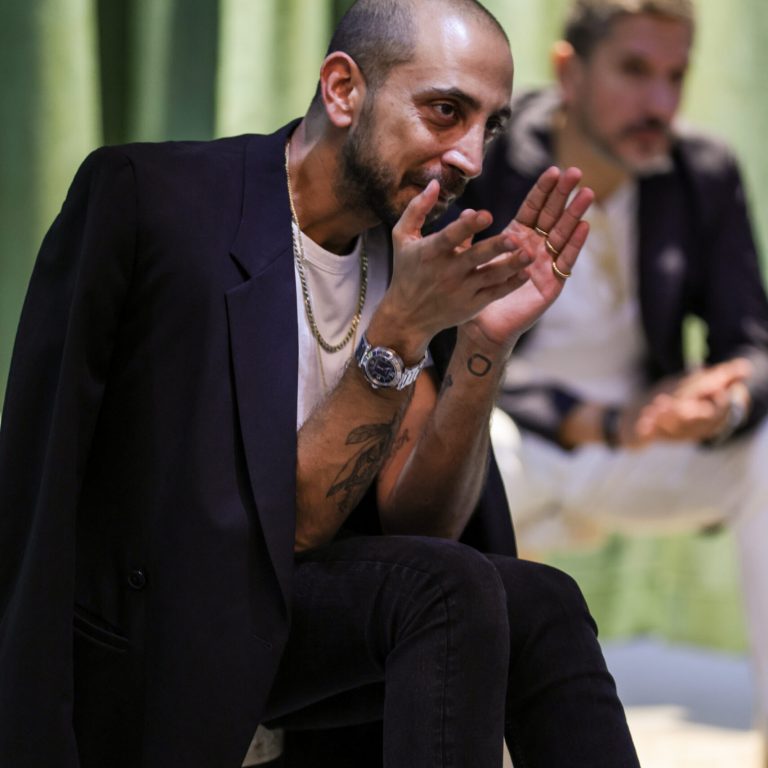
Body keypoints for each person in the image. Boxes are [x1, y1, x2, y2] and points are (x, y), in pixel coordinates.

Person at [0, 1, 642, 766]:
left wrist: (483, 346)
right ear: (342, 90)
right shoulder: (149, 199)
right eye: (446, 111)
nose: (471, 156)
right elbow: (41, 481)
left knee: (544, 600)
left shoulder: (410, 256)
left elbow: (423, 529)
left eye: (490, 126)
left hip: (301, 634)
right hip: (164, 644)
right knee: (449, 590)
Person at [459, 0, 768, 755]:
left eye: (676, 76)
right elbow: (443, 347)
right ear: (570, 71)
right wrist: (595, 421)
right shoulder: (489, 163)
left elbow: (752, 344)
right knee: (463, 442)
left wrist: (722, 402)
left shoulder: (702, 172)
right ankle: (462, 741)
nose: (660, 102)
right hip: (515, 438)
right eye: (634, 70)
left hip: (645, 443)